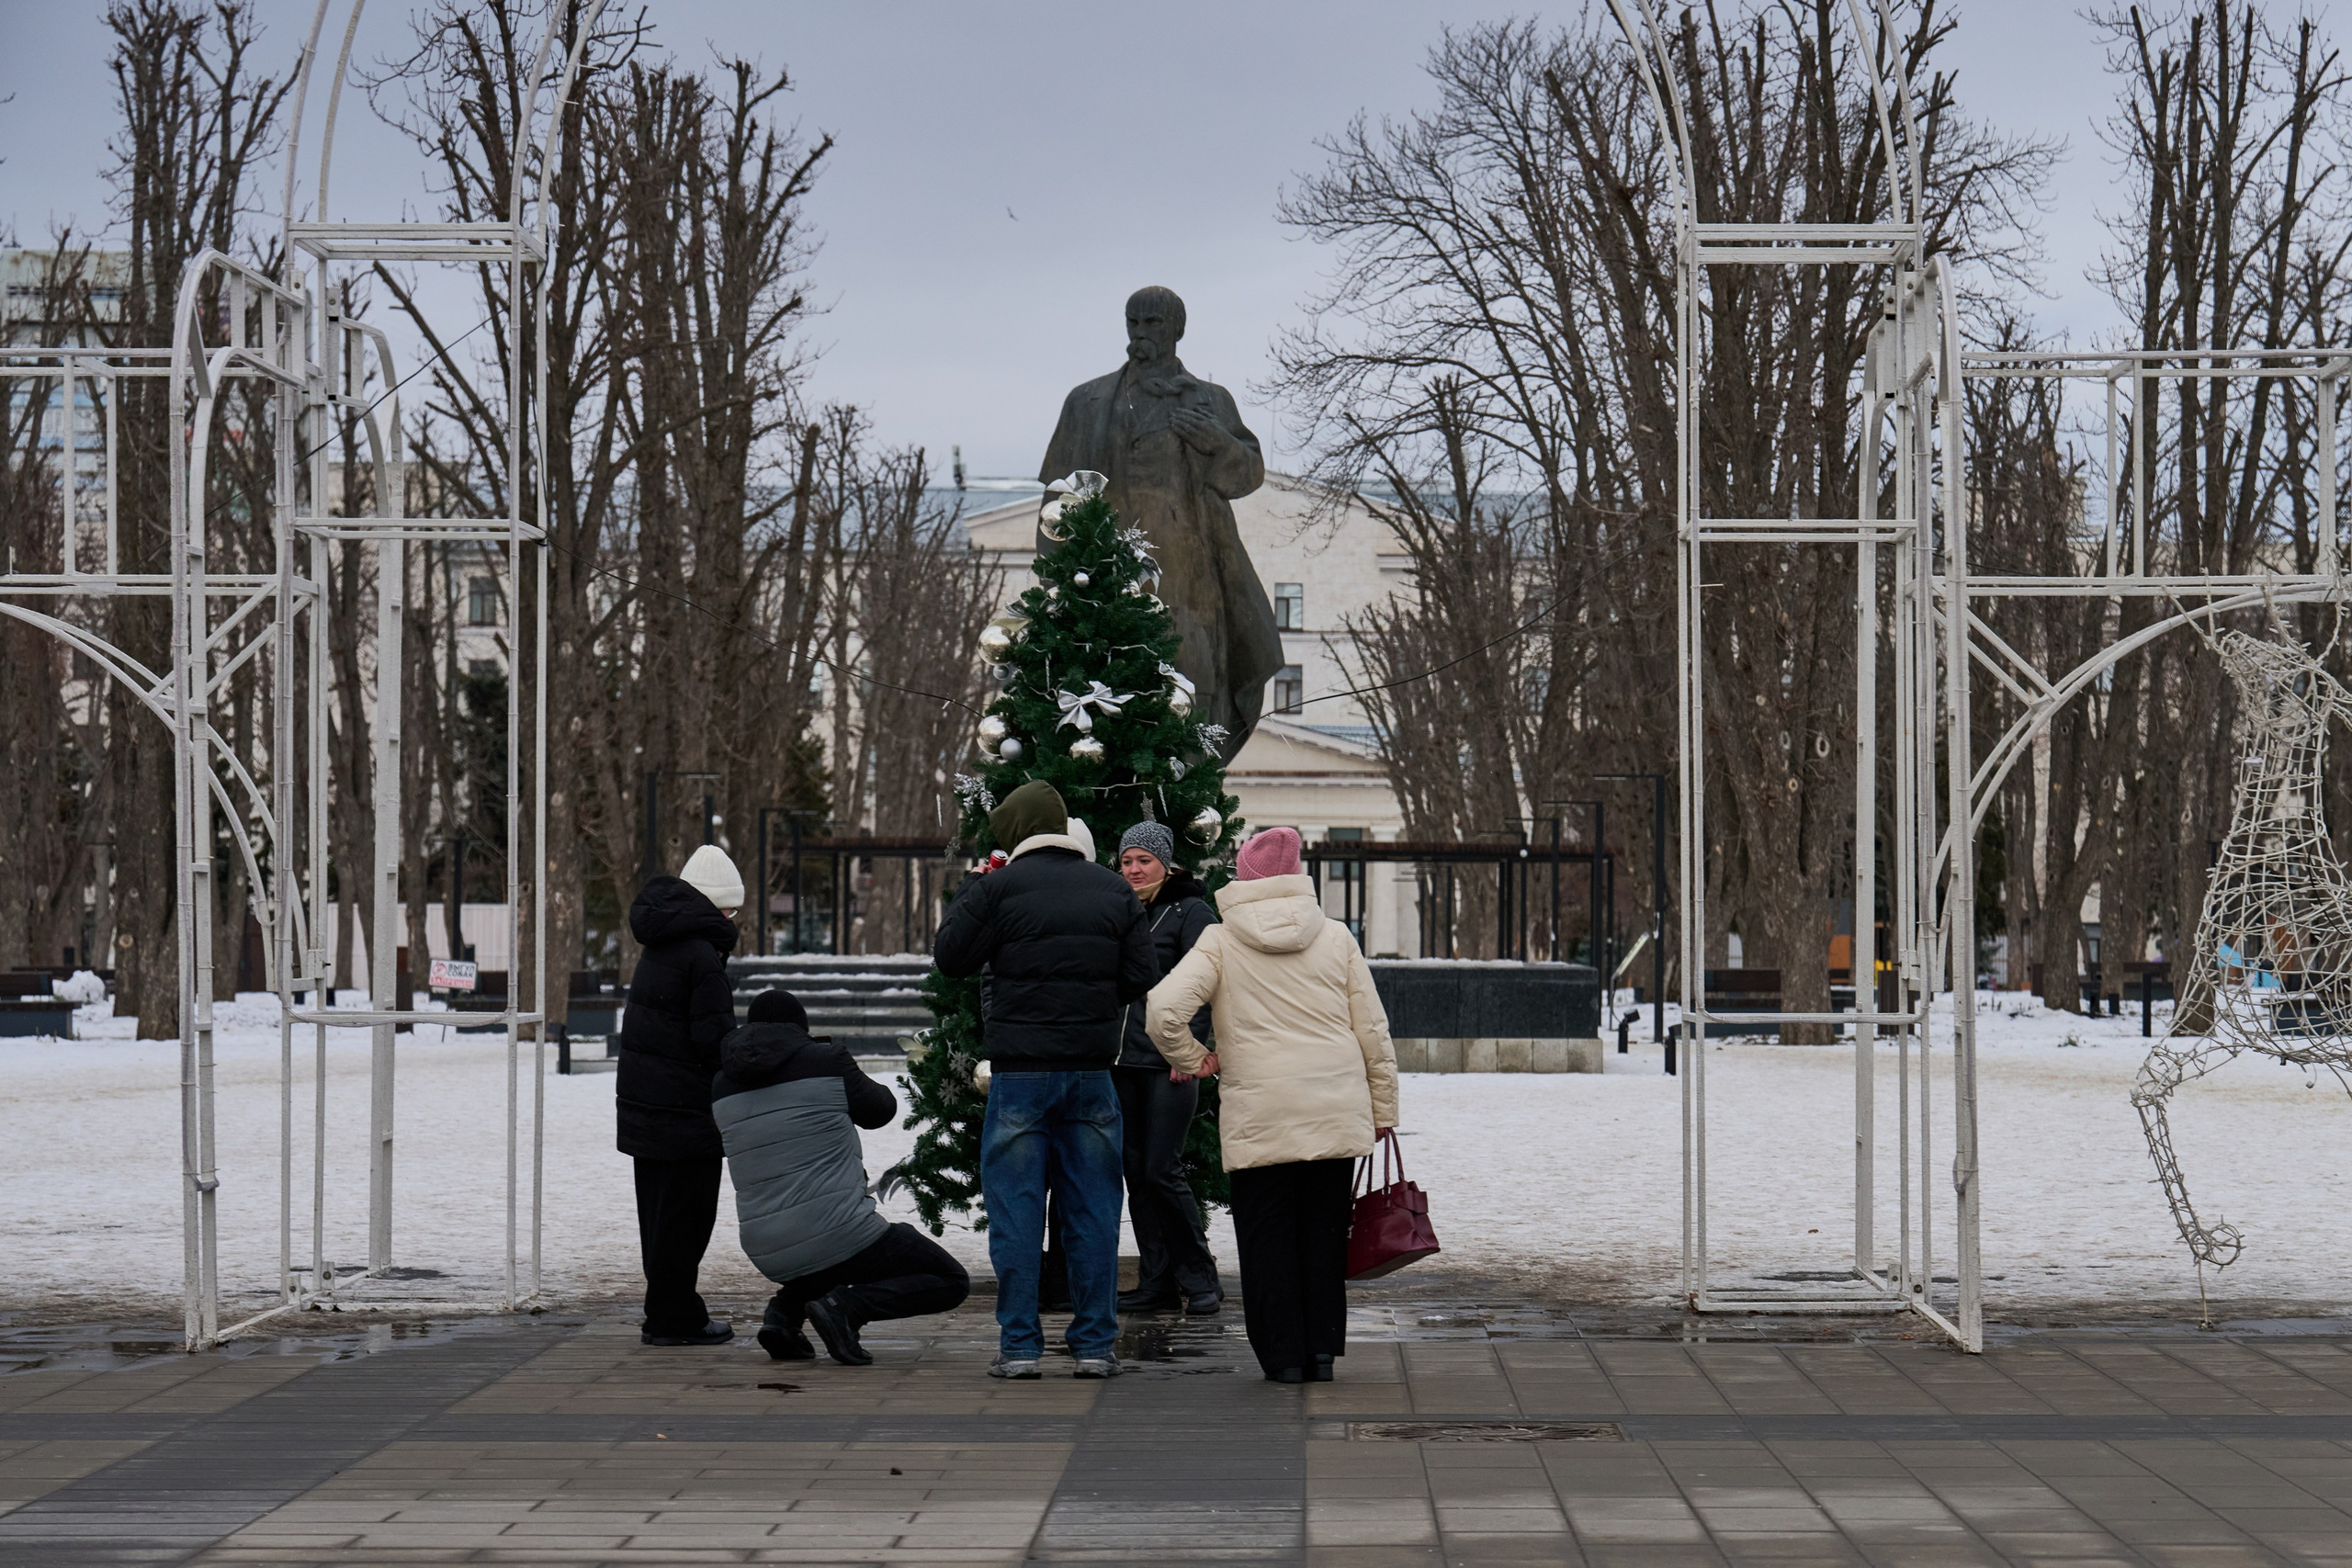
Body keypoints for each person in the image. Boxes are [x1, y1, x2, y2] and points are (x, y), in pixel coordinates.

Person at [1145, 827, 1399, 1384]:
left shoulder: (1219, 940)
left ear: (1245, 876)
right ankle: (1322, 1352)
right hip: (1333, 1105)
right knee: (1324, 1234)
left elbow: (1163, 1009)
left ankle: (1282, 1358)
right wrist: (1383, 1110)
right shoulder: (1336, 938)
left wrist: (1195, 1058)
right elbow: (1373, 1032)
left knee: (1267, 1236)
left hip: (1261, 1111)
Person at [934, 781, 1158, 1380]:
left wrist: (978, 884)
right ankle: (1093, 1344)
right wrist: (1093, 1006)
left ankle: (1020, 1346)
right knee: (1093, 1209)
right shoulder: (1113, 888)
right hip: (1091, 1072)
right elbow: (1142, 972)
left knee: (1017, 1210)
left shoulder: (999, 888)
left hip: (1020, 1075)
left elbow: (951, 956)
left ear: (1014, 834)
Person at [714, 988, 970, 1366]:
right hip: (840, 1232)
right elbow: (881, 1109)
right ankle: (846, 1308)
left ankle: (783, 1317)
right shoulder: (826, 1060)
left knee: (821, 1250)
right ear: (800, 1029)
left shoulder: (721, 1084)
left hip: (767, 1248)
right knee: (949, 1279)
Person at [616, 843, 746, 1347]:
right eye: (731, 910)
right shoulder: (701, 958)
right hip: (686, 1113)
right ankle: (676, 1318)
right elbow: (713, 1041)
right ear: (715, 907)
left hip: (646, 1107)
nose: (734, 920)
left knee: (658, 1218)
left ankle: (664, 1312)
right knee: (687, 1220)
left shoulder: (660, 945)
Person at [1112, 819, 1223, 1315]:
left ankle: (1201, 1278)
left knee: (1162, 1170)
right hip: (1123, 1063)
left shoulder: (1190, 911)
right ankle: (1157, 1281)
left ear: (1166, 863)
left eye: (1144, 861)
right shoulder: (1119, 909)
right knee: (1136, 1172)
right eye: (1127, 861)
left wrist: (1189, 1050)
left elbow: (1209, 983)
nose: (1134, 870)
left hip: (1170, 1064)